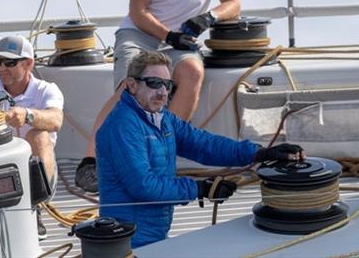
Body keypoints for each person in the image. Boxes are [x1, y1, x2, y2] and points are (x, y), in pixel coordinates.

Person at [76, 0, 241, 192]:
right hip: (141, 35)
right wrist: (169, 36)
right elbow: (138, 11)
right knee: (129, 87)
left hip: (181, 42)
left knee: (193, 73)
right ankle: (91, 162)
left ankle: (159, 155)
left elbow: (233, 3)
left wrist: (208, 18)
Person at [96, 51, 304, 248]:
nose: (162, 92)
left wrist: (260, 153)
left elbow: (204, 144)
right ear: (132, 85)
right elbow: (144, 186)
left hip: (152, 235)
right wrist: (199, 189)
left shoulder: (162, 119)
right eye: (154, 83)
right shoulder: (123, 125)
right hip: (128, 240)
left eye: (168, 85)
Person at [0, 35, 64, 238]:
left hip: (34, 170)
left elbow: (56, 120)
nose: (2, 68)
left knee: (39, 135)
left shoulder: (47, 90)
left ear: (29, 63)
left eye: (10, 62)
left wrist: (28, 115)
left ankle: (35, 207)